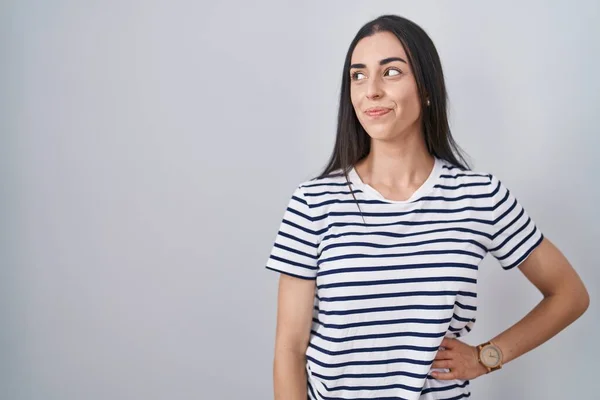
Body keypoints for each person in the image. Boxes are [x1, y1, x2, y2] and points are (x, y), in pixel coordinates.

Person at [265, 14, 589, 400]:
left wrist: (488, 357)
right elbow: (289, 350)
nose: (371, 90)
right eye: (358, 75)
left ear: (427, 87)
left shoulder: (478, 196)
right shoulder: (313, 202)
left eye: (391, 72)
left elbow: (569, 293)